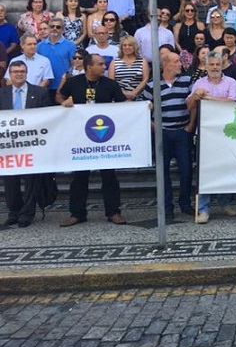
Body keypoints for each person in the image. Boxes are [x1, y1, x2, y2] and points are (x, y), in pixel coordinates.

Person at [58, 52, 128, 226]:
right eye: (101, 64)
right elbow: (59, 95)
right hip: (81, 138)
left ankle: (113, 212)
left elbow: (123, 105)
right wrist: (64, 102)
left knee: (109, 176)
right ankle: (77, 213)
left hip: (104, 138)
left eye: (104, 64)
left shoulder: (110, 84)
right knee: (79, 177)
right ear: (89, 67)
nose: (104, 67)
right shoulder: (74, 82)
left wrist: (142, 108)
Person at [188, 51, 236, 222]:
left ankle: (225, 203)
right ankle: (203, 208)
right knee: (204, 170)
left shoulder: (231, 82)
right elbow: (188, 105)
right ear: (206, 66)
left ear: (222, 64)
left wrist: (208, 97)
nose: (215, 67)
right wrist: (196, 96)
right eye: (211, 64)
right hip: (204, 134)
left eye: (218, 64)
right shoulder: (199, 83)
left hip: (226, 133)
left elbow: (232, 102)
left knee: (227, 167)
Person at [144, 50, 196, 221]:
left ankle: (185, 202)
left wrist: (190, 125)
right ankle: (167, 206)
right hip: (163, 133)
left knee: (186, 169)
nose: (180, 64)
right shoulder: (152, 85)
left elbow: (194, 104)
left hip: (182, 131)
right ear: (165, 64)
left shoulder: (187, 81)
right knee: (162, 171)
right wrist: (155, 128)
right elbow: (144, 109)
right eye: (175, 61)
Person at [1, 62, 53, 228]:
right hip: (8, 146)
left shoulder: (40, 92)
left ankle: (27, 213)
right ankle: (14, 212)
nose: (19, 75)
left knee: (32, 179)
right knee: (10, 180)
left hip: (32, 144)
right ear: (10, 74)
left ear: (27, 73)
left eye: (22, 71)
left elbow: (49, 116)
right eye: (15, 72)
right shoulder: (2, 94)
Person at [37, 18, 77, 100]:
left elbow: (73, 65)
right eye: (52, 26)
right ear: (48, 28)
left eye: (58, 27)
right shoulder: (39, 46)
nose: (54, 29)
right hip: (45, 86)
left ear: (63, 30)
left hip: (62, 86)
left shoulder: (70, 45)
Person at [108, 36, 148, 101]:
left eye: (130, 45)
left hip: (138, 98)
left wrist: (134, 92)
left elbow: (145, 80)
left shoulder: (143, 61)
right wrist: (123, 93)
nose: (127, 47)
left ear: (134, 47)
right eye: (124, 45)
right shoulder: (114, 62)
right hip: (119, 97)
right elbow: (111, 81)